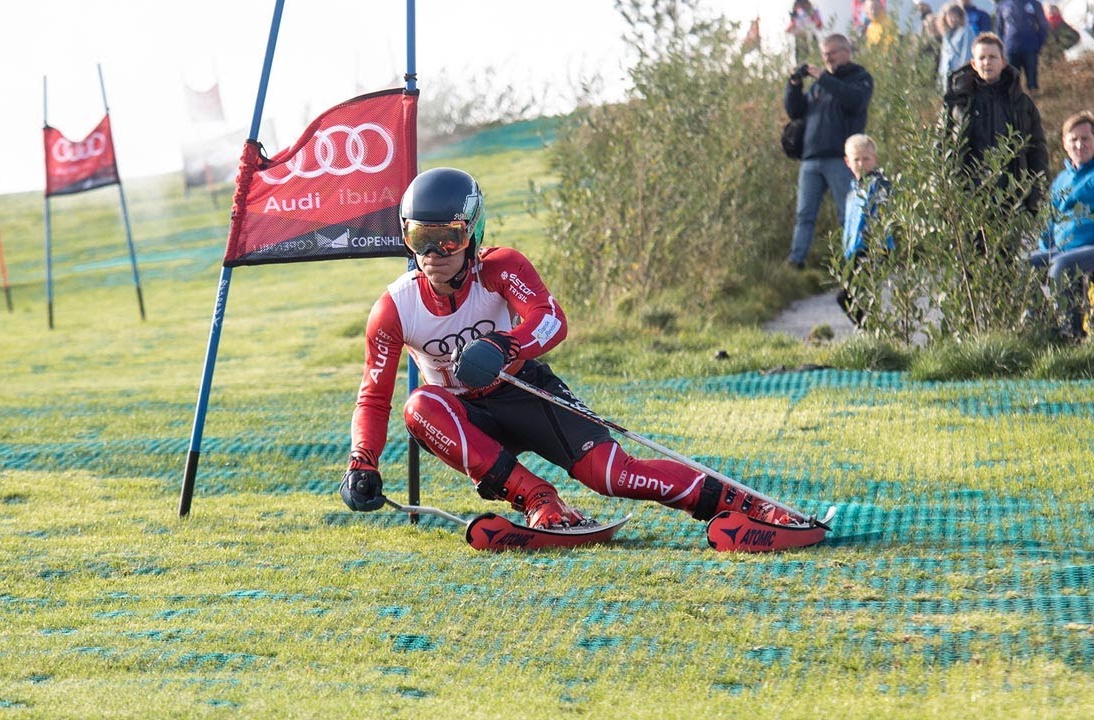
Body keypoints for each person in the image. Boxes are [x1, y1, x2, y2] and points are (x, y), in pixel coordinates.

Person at [338, 167, 801, 531]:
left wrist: (506, 345)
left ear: (473, 234)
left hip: (521, 389)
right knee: (420, 405)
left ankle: (747, 504)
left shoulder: (500, 267)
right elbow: (374, 399)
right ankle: (540, 499)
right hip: (464, 419)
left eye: (449, 239)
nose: (434, 255)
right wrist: (362, 462)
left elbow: (552, 319)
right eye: (421, 238)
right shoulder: (393, 308)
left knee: (612, 475)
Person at [1028, 112, 1094, 337]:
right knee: (1027, 266)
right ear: (1065, 144)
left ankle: (1072, 334)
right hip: (1063, 248)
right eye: (1073, 139)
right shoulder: (1061, 180)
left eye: (1085, 139)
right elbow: (1049, 220)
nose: (1079, 144)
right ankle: (1037, 329)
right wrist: (1045, 250)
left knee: (1061, 267)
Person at [784, 34, 875, 268]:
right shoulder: (818, 87)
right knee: (804, 215)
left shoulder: (860, 78)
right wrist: (793, 86)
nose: (828, 58)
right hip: (811, 158)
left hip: (841, 160)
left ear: (847, 51)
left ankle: (853, 260)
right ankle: (796, 261)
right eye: (824, 54)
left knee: (848, 214)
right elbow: (795, 112)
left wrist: (823, 77)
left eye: (832, 52)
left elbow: (853, 101)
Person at [943, 32, 1049, 226]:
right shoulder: (958, 104)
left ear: (1003, 62)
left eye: (992, 57)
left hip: (1012, 203)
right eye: (981, 58)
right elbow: (943, 147)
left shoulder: (1022, 104)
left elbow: (1038, 152)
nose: (987, 62)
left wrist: (1036, 197)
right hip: (969, 203)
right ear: (973, 64)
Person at [836, 134, 894, 327]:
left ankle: (871, 330)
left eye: (866, 158)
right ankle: (870, 331)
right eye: (856, 159)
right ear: (847, 161)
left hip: (874, 249)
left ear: (874, 160)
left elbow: (884, 214)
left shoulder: (880, 185)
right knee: (852, 296)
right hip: (855, 251)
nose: (861, 163)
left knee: (848, 295)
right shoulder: (853, 190)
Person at [994, 0, 1048, 91]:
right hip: (1011, 49)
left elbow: (1043, 25)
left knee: (1032, 82)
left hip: (1030, 47)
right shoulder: (1003, 5)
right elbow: (999, 29)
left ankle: (1034, 101)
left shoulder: (1034, 4)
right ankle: (1015, 103)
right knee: (1012, 83)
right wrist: (1002, 47)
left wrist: (1039, 43)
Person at [939, 4, 977, 91]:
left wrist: (961, 74)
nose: (952, 19)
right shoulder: (946, 36)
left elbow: (967, 55)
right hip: (947, 77)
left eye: (954, 15)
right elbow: (943, 59)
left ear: (960, 16)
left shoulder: (967, 31)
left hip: (960, 77)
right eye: (949, 16)